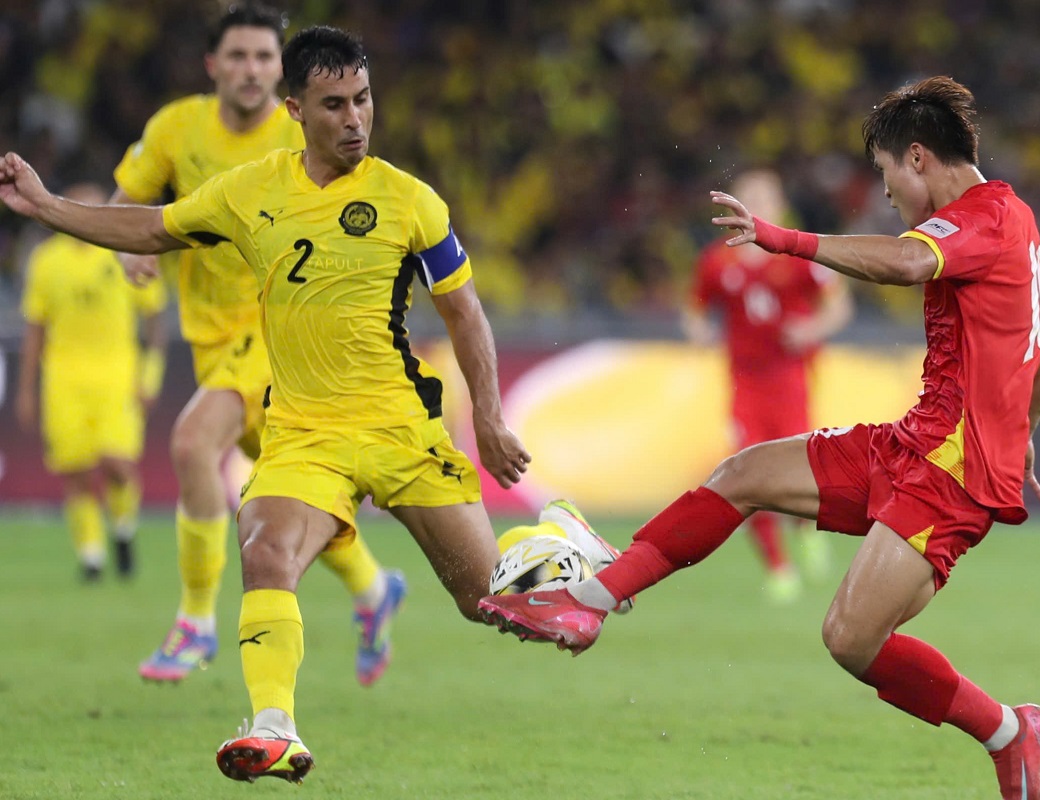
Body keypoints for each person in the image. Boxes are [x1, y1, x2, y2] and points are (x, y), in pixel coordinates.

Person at [0, 24, 618, 786]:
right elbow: (154, 228)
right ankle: (274, 727)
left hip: (401, 427)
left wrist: (488, 417)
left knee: (485, 601)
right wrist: (47, 206)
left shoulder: (410, 201)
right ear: (295, 110)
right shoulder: (250, 190)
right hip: (303, 431)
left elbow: (466, 312)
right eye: (335, 105)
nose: (355, 118)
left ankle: (562, 540)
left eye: (363, 100)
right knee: (264, 547)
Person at [477, 76, 1040, 800]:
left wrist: (782, 240)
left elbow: (908, 262)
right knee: (744, 473)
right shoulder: (1013, 221)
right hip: (914, 444)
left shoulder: (987, 216)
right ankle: (589, 601)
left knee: (849, 639)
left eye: (885, 176)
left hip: (952, 477)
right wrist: (1024, 428)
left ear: (917, 158)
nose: (886, 195)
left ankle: (1011, 732)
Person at [110, 3, 403, 687]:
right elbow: (129, 206)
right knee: (286, 498)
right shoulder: (175, 130)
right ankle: (372, 587)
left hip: (280, 336)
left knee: (189, 444)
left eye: (265, 58)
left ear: (284, 74)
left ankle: (195, 623)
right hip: (212, 341)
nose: (251, 70)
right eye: (238, 57)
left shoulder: (304, 133)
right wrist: (133, 255)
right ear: (214, 65)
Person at [683, 168, 853, 603]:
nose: (757, 205)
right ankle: (778, 569)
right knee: (746, 470)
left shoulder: (796, 254)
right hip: (744, 385)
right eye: (749, 197)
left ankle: (804, 527)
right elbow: (695, 310)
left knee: (795, 465)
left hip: (791, 380)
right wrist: (699, 332)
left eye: (765, 197)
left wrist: (811, 328)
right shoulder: (717, 262)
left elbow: (839, 307)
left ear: (779, 206)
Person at [16, 182, 168, 582]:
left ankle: (122, 529)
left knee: (117, 462)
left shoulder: (123, 253)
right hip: (63, 378)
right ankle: (92, 556)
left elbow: (155, 324)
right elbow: (35, 329)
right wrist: (26, 389)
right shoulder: (47, 261)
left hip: (117, 375)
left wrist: (149, 377)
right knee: (76, 470)